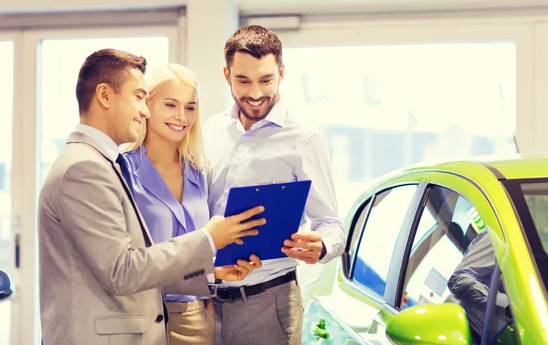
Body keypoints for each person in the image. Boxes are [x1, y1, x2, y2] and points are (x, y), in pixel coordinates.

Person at [38, 49, 266, 345]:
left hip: (182, 316)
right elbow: (123, 271)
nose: (143, 110)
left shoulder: (108, 164)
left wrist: (210, 270)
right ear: (105, 96)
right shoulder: (87, 168)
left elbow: (126, 266)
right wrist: (209, 240)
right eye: (138, 98)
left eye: (190, 107)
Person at [204, 25, 346, 345]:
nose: (255, 93)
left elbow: (331, 223)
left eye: (265, 80)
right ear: (227, 75)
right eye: (243, 80)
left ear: (281, 73)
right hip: (205, 301)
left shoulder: (305, 140)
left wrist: (320, 246)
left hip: (267, 303)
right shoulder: (211, 129)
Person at [121, 63, 262, 345]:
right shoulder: (123, 170)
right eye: (171, 105)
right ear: (147, 106)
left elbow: (198, 249)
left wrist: (215, 272)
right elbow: (124, 265)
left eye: (190, 107)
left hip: (197, 317)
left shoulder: (198, 171)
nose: (182, 117)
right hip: (141, 318)